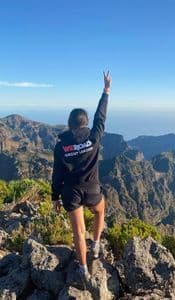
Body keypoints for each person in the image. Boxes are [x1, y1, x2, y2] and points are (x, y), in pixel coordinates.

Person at [51, 71, 111, 285]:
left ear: (70, 124)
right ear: (85, 124)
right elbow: (101, 117)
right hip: (92, 189)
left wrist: (54, 197)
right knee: (100, 210)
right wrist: (106, 91)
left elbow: (57, 172)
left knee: (78, 232)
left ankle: (83, 269)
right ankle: (96, 244)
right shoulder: (94, 137)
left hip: (71, 192)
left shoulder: (61, 146)